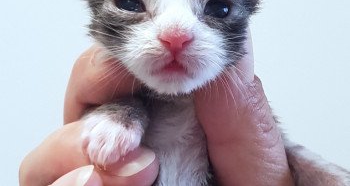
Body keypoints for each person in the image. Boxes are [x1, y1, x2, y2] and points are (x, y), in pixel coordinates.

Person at [19, 31, 294, 186]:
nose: (175, 33)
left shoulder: (235, 116)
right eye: (131, 3)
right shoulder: (121, 89)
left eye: (216, 7)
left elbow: (288, 162)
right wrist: (125, 110)